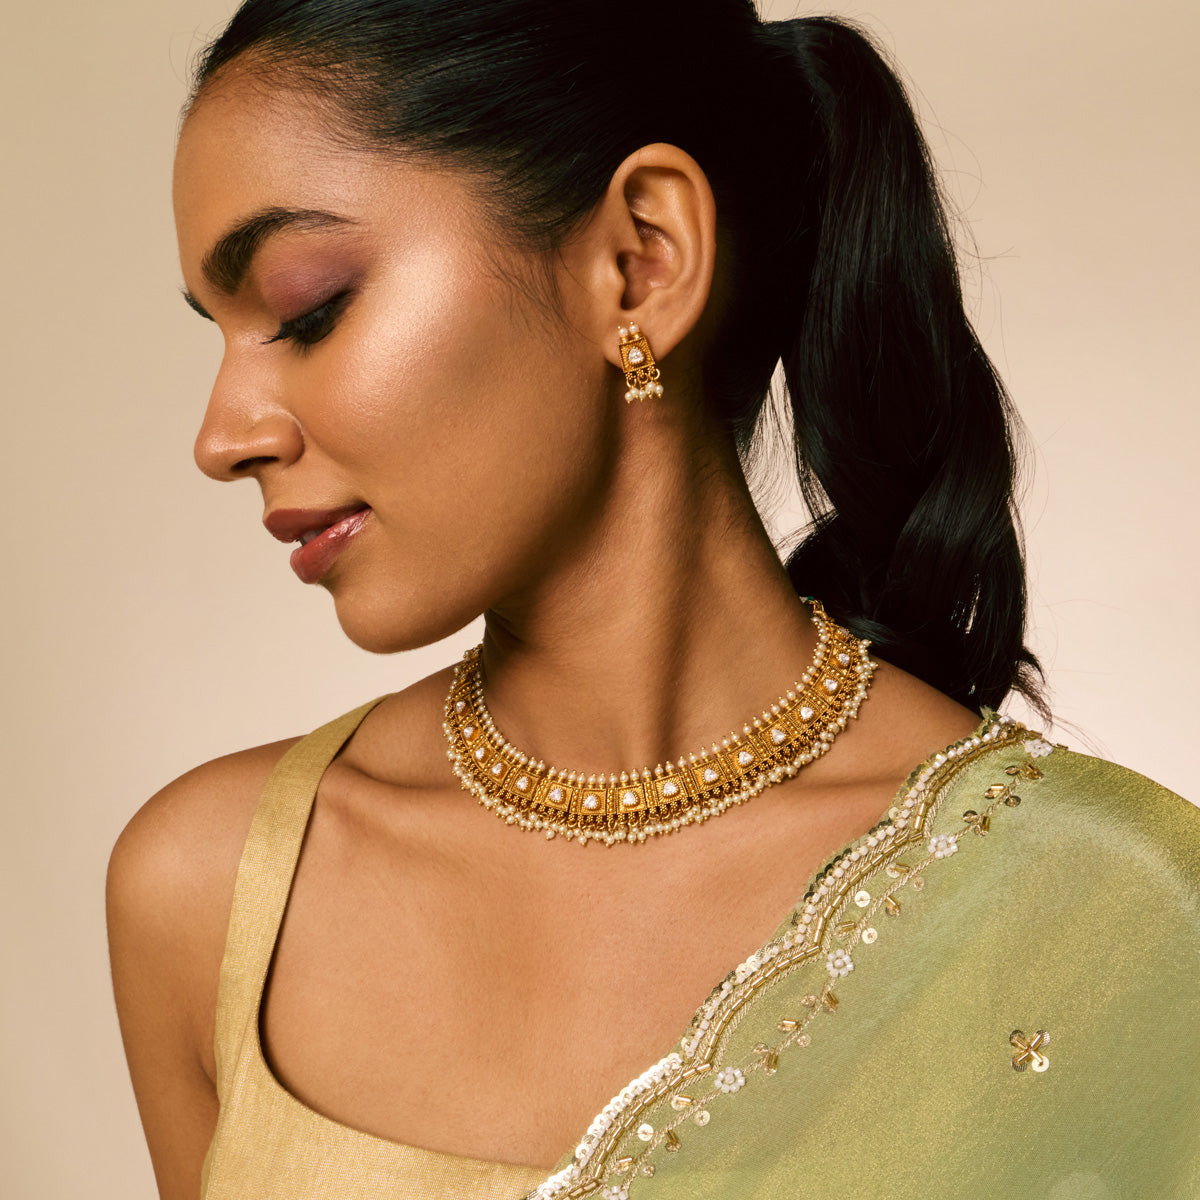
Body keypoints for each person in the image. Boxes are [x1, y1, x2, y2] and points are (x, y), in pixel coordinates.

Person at [106, 2, 1200, 1198]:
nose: (223, 435)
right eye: (222, 337)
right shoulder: (214, 896)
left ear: (641, 261)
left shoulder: (1108, 917)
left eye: (307, 307)